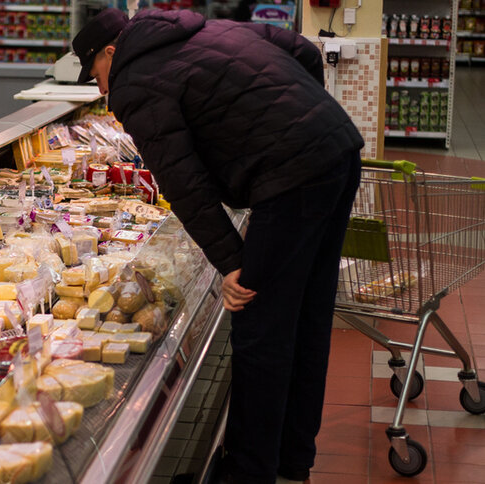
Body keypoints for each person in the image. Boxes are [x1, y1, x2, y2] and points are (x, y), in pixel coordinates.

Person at [73, 8, 363, 484]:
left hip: (289, 180)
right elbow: (304, 51)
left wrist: (231, 262)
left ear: (111, 53)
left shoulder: (134, 82)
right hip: (336, 151)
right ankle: (292, 460)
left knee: (260, 326)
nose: (102, 89)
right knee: (309, 317)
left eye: (97, 75)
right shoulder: (206, 27)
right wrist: (300, 118)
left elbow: (183, 183)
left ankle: (249, 472)